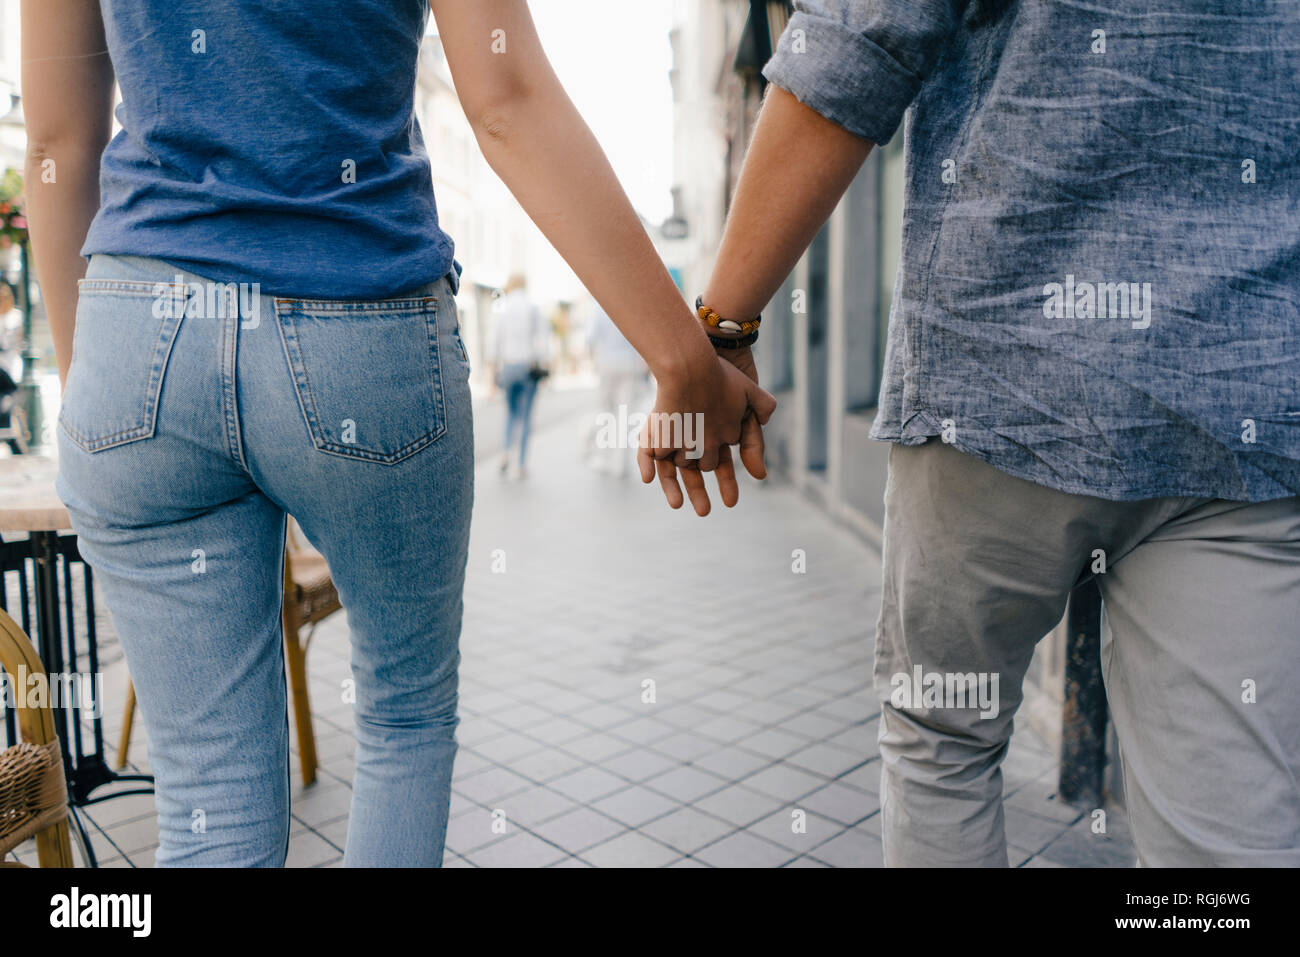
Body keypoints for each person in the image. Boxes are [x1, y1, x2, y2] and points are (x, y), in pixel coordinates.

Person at [24, 0, 774, 867]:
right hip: (361, 316)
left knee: (207, 785)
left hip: (140, 320)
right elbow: (507, 99)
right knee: (403, 719)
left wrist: (104, 389)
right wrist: (683, 354)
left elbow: (54, 141)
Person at [653, 0, 1300, 865]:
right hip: (1236, 403)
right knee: (1221, 838)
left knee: (943, 742)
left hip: (995, 385)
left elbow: (850, 49)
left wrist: (721, 332)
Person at [491, 273, 547, 479]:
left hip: (507, 367)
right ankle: (521, 464)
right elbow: (542, 340)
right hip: (527, 367)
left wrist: (491, 378)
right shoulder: (533, 307)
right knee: (525, 416)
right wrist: (543, 362)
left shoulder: (502, 307)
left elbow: (493, 344)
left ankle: (506, 451)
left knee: (510, 413)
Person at [584, 300, 648, 476]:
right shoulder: (631, 304)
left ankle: (602, 457)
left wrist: (593, 360)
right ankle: (621, 463)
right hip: (629, 364)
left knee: (605, 410)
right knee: (625, 413)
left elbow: (590, 337)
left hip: (606, 363)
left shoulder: (598, 306)